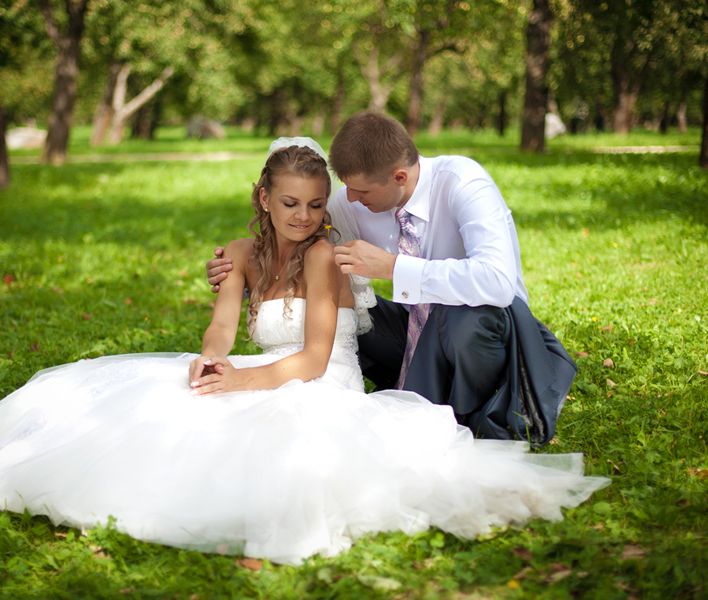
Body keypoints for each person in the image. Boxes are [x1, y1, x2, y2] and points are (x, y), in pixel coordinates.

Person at [0, 139, 607, 566]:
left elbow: (313, 361)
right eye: (290, 203)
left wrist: (240, 383)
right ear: (263, 198)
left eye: (316, 205)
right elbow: (222, 326)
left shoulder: (324, 255)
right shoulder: (245, 254)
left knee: (281, 447)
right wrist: (213, 359)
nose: (305, 216)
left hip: (319, 380)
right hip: (265, 370)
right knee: (165, 408)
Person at [208, 114, 577, 446]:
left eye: (361, 191)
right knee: (352, 318)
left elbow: (497, 281)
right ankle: (419, 388)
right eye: (346, 189)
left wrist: (393, 267)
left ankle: (472, 413)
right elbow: (299, 241)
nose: (349, 199)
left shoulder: (463, 183)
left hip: (486, 324)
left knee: (462, 321)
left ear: (399, 177)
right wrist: (241, 273)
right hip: (415, 324)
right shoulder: (352, 200)